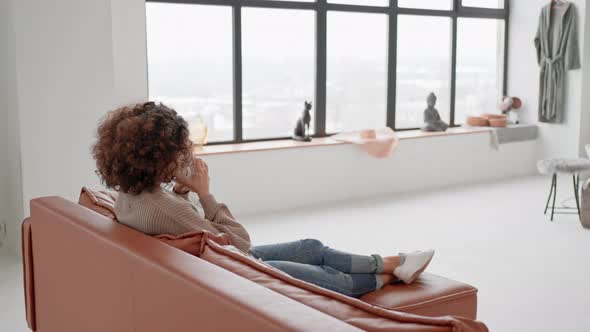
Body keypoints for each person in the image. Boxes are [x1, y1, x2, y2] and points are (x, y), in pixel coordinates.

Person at [93, 102, 435, 298]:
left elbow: (189, 230)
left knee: (312, 246)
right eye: (181, 148)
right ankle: (390, 276)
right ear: (160, 156)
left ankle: (390, 262)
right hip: (234, 272)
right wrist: (205, 193)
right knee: (334, 280)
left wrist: (182, 190)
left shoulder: (132, 195)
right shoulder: (163, 206)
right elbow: (239, 246)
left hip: (217, 261)